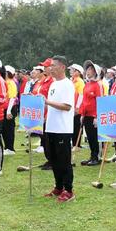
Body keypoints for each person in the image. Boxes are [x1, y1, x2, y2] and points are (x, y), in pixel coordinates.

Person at [43, 56, 76, 202]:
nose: (51, 68)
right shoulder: (53, 84)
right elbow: (50, 105)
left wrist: (47, 102)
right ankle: (58, 186)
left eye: (54, 65)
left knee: (64, 160)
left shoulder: (67, 84)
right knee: (54, 159)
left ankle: (68, 189)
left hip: (63, 128)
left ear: (62, 67)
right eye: (50, 66)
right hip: (51, 126)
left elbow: (67, 106)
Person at [80, 60, 102, 166]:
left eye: (90, 69)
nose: (87, 72)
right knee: (89, 137)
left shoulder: (98, 85)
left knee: (94, 137)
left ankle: (96, 157)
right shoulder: (87, 84)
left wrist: (97, 116)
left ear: (95, 72)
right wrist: (82, 114)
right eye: (87, 69)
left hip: (94, 115)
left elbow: (100, 100)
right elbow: (84, 100)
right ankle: (92, 156)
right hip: (86, 115)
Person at [2, 65, 18, 155]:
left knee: (9, 129)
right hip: (5, 108)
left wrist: (8, 111)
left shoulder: (11, 82)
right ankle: (7, 147)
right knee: (5, 129)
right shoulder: (5, 82)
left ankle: (10, 148)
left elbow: (12, 97)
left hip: (10, 108)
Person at [68, 63, 85, 149]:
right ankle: (73, 143)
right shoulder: (72, 81)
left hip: (76, 108)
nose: (70, 71)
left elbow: (81, 95)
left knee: (76, 126)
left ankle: (76, 144)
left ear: (77, 72)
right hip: (71, 107)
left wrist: (77, 107)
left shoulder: (80, 81)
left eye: (72, 70)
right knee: (72, 125)